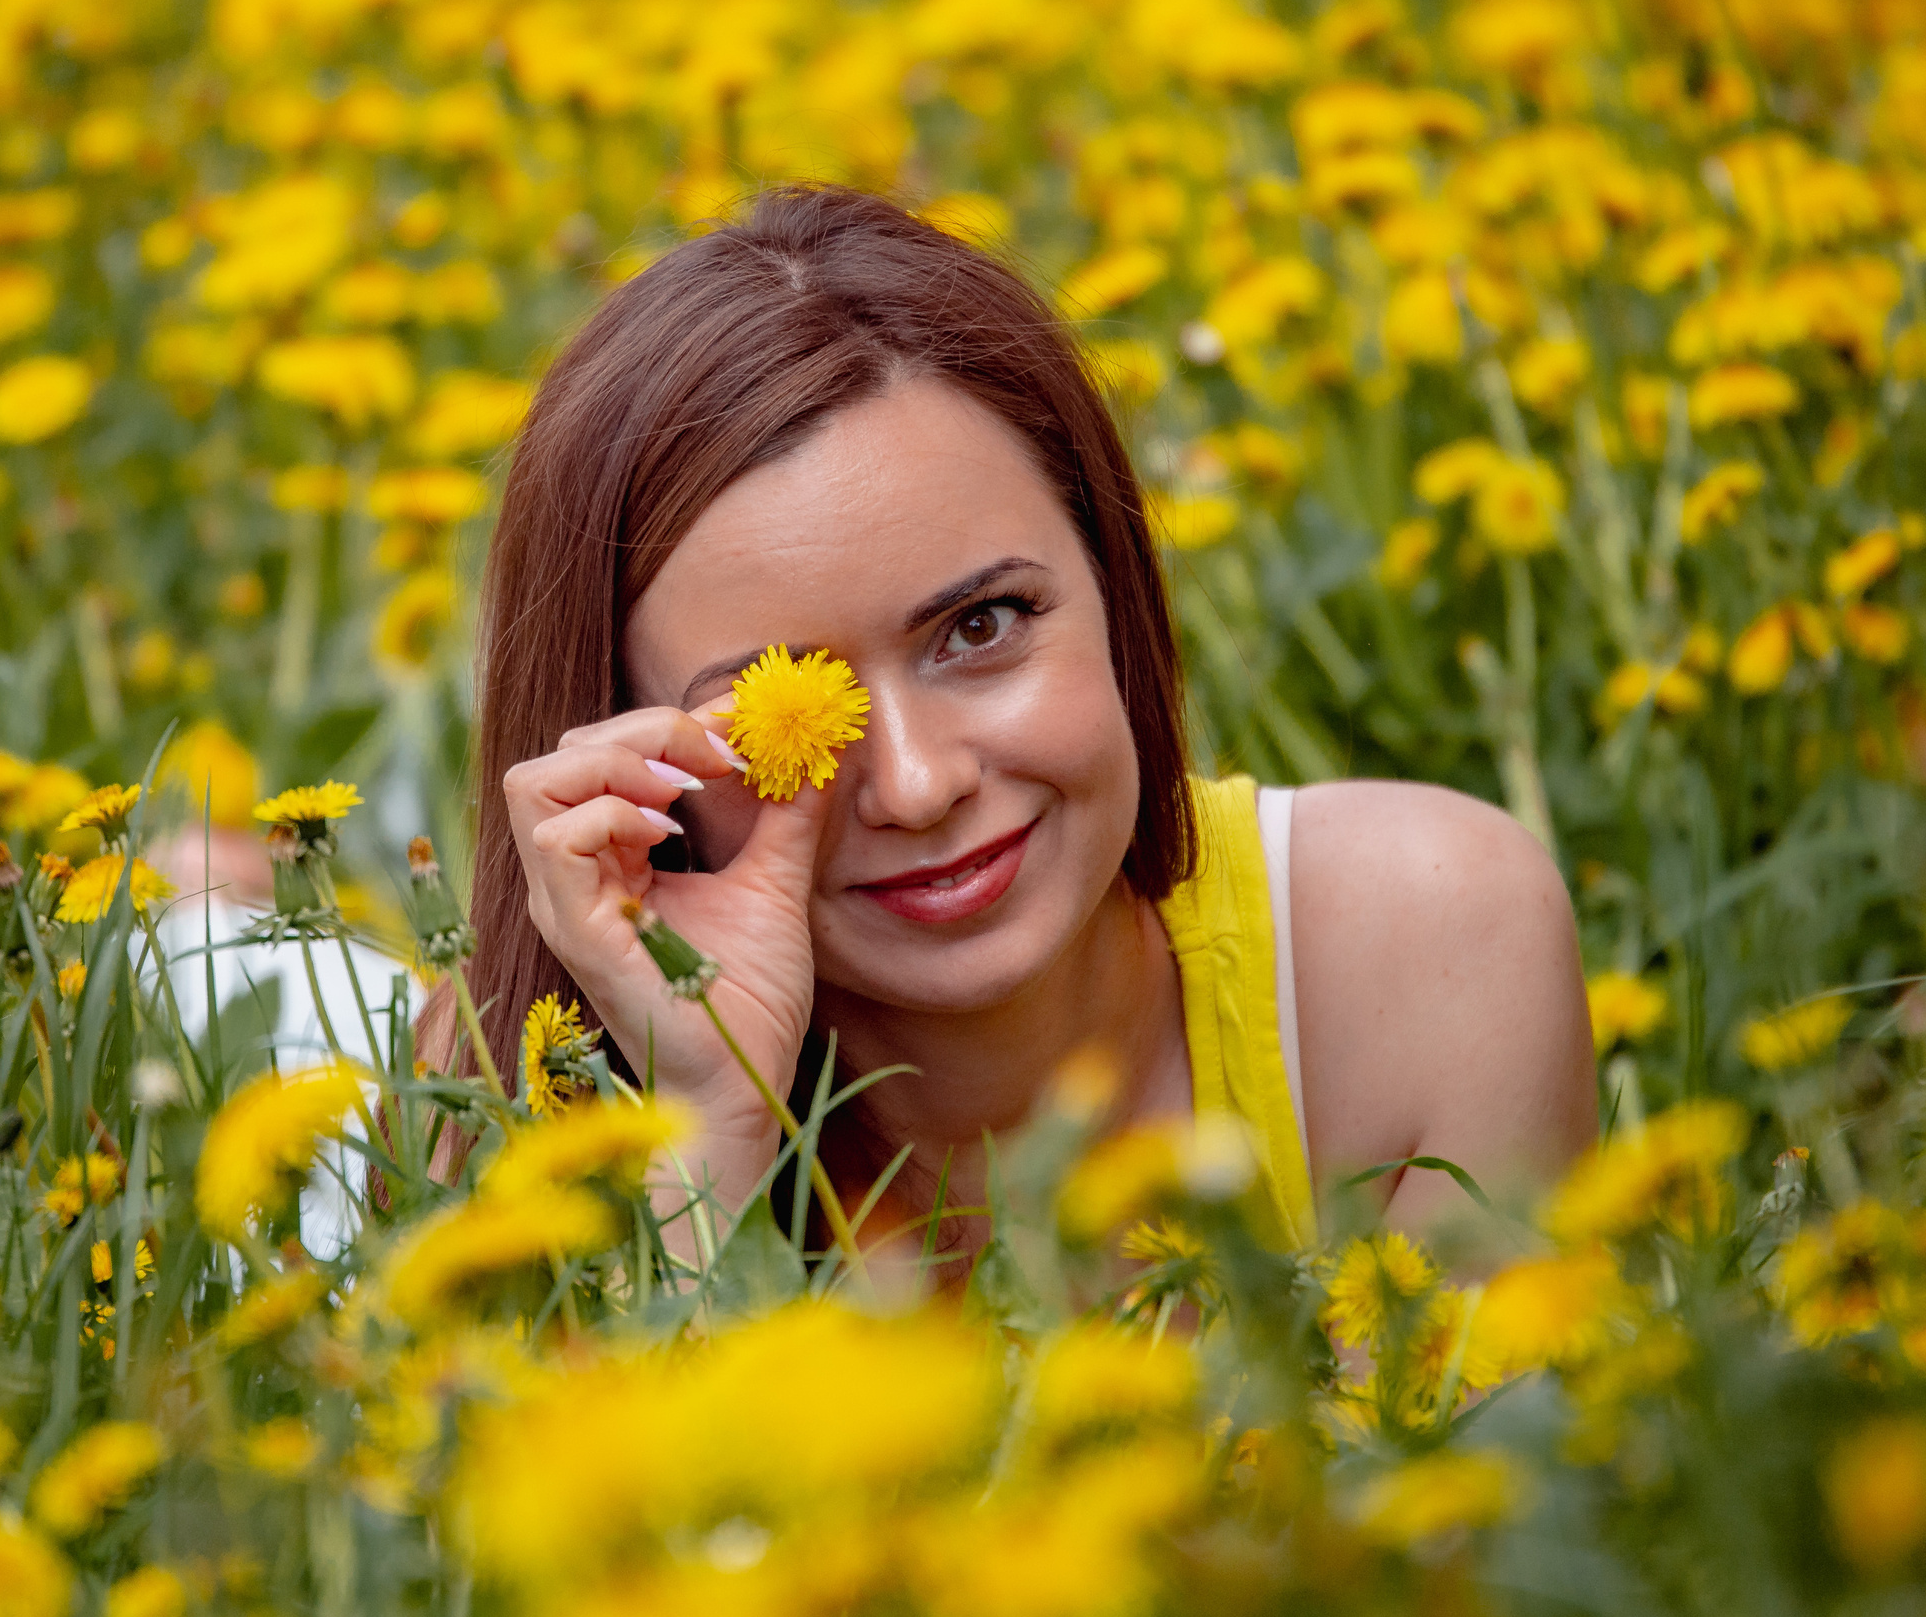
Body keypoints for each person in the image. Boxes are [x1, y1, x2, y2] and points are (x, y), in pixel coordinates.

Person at [464, 183, 1592, 1268]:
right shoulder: (487, 1104)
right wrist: (706, 1135)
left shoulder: (1420, 945)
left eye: (980, 625)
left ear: (1115, 584)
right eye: (770, 713)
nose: (914, 785)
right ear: (626, 762)